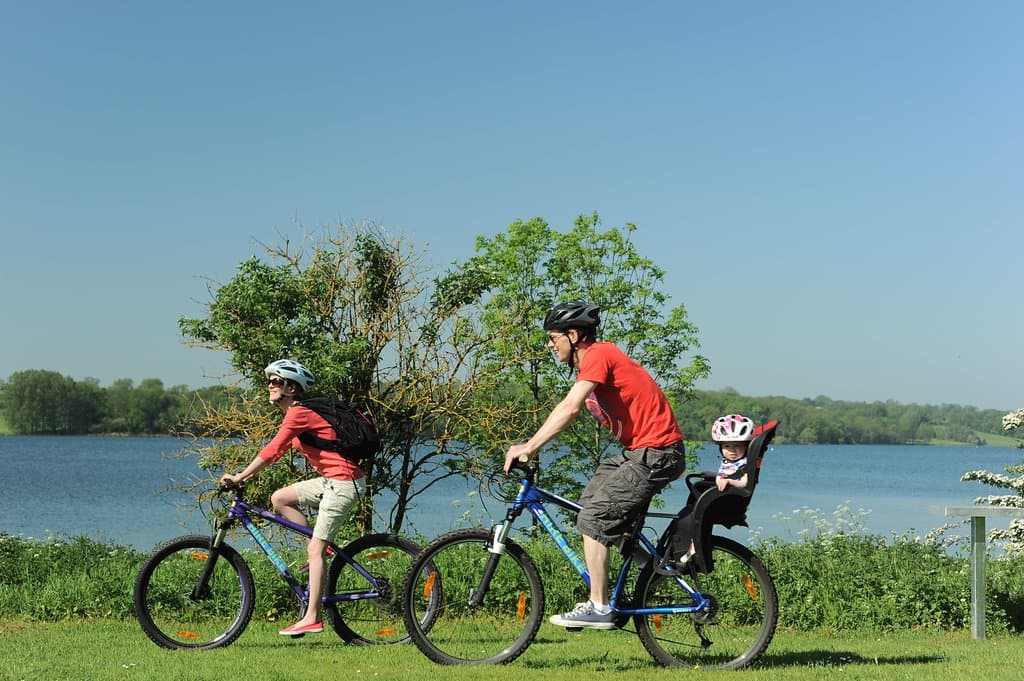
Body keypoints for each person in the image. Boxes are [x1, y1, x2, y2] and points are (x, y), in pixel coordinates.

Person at [503, 301, 686, 630]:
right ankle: (655, 570)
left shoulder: (599, 354)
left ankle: (599, 606)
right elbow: (570, 406)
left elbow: (570, 408)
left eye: (553, 336)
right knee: (588, 504)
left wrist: (529, 446)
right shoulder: (591, 363)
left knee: (594, 516)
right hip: (639, 453)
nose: (549, 343)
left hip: (657, 453)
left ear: (573, 335)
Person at [220, 359, 366, 637]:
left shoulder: (298, 413)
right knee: (280, 499)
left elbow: (274, 449)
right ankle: (320, 547)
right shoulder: (298, 413)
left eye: (276, 382)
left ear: (291, 387)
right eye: (270, 381)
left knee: (314, 550)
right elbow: (277, 450)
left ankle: (312, 617)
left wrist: (240, 477)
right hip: (331, 481)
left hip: (343, 483)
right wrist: (246, 476)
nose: (270, 386)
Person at [661, 413, 755, 571]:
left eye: (737, 446)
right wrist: (714, 475)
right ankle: (685, 543)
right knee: (692, 501)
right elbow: (726, 474)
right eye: (727, 446)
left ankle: (690, 547)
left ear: (745, 446)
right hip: (721, 496)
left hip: (725, 500)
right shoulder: (731, 462)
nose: (732, 451)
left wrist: (730, 481)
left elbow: (745, 482)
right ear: (720, 447)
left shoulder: (744, 464)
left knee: (693, 504)